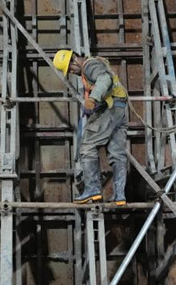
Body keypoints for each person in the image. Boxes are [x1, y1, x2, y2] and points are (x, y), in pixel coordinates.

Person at [53, 50, 129, 205]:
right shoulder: (95, 63)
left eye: (71, 68)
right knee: (117, 153)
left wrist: (92, 99)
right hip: (119, 109)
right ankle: (120, 195)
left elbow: (104, 79)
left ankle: (92, 190)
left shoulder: (90, 65)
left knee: (87, 147)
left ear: (74, 58)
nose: (72, 72)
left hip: (109, 109)